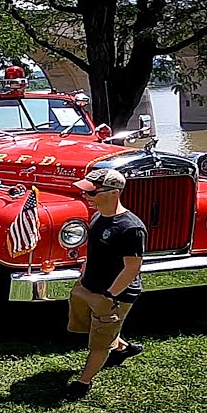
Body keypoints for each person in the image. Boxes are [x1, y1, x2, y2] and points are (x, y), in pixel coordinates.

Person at [65, 167, 145, 400]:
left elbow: (132, 268)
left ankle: (83, 382)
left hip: (114, 295)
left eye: (91, 193)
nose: (85, 196)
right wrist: (83, 274)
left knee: (99, 342)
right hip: (88, 286)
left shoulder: (131, 228)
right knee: (94, 328)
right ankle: (123, 348)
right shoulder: (98, 216)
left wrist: (110, 296)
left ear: (114, 193)